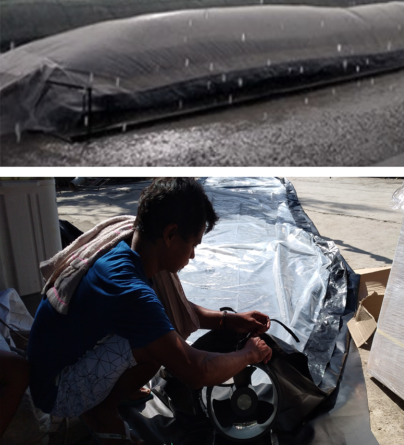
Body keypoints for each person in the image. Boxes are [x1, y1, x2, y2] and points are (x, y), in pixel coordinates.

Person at [27, 178, 274, 444]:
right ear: (170, 234)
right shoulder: (128, 288)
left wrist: (227, 320)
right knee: (158, 346)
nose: (192, 256)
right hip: (55, 390)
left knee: (158, 332)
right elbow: (196, 371)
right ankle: (101, 408)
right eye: (193, 245)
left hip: (55, 362)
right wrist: (248, 354)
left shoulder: (129, 248)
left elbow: (163, 311)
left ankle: (107, 391)